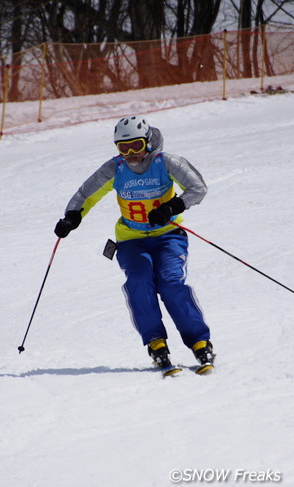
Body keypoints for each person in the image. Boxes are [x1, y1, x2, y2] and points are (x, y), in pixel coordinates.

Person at [54, 115, 215, 375]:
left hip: (169, 235)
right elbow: (86, 194)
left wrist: (173, 207)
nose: (131, 154)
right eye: (123, 147)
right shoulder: (115, 169)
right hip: (131, 238)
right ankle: (156, 343)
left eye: (136, 146)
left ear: (148, 142)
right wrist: (72, 217)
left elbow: (198, 188)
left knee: (170, 281)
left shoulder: (165, 162)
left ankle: (199, 341)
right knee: (139, 281)